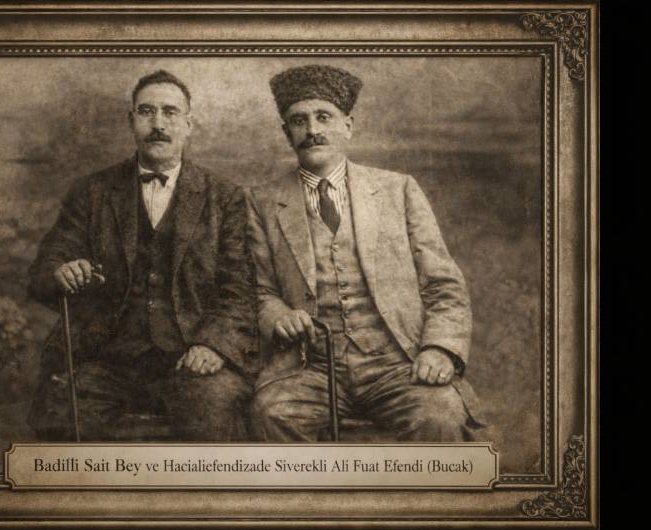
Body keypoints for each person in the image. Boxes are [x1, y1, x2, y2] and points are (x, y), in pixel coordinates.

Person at [246, 64, 487, 441]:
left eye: (324, 117)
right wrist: (278, 315)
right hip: (311, 368)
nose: (312, 130)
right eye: (299, 121)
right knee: (271, 412)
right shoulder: (261, 202)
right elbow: (259, 291)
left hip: (396, 363)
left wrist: (440, 350)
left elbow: (444, 285)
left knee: (440, 415)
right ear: (286, 132)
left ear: (348, 125)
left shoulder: (398, 191)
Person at [27, 70, 257, 441]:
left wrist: (213, 344)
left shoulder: (225, 198)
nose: (158, 124)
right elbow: (46, 266)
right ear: (131, 120)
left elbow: (241, 288)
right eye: (147, 112)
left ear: (188, 124)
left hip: (192, 356)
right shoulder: (92, 192)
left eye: (170, 112)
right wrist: (60, 270)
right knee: (62, 414)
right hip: (107, 358)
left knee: (214, 412)